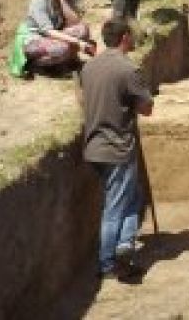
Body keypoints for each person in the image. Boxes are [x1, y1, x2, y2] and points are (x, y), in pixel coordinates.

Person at [81, 15, 154, 281]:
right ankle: (109, 263)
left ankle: (125, 245)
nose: (134, 39)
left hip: (94, 146)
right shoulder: (127, 70)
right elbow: (146, 109)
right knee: (115, 206)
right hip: (117, 148)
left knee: (131, 198)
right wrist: (136, 101)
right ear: (124, 38)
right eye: (131, 36)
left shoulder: (89, 68)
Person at [19, 0, 94, 74]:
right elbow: (47, 31)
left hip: (53, 37)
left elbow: (75, 22)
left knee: (83, 30)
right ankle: (34, 65)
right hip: (34, 40)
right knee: (62, 49)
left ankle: (66, 62)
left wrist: (63, 1)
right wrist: (77, 42)